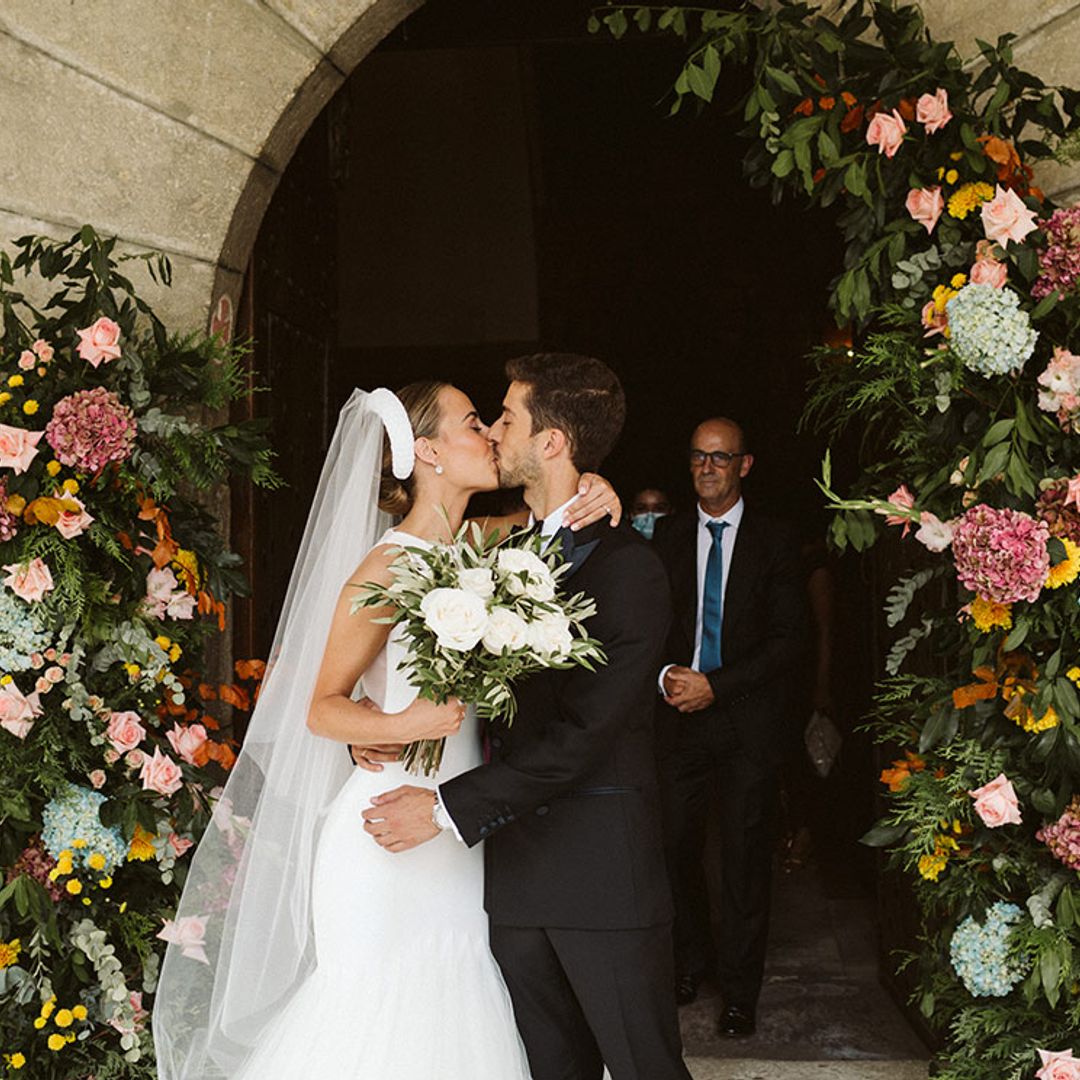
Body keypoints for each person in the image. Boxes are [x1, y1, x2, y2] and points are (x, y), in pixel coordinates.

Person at [152, 381, 621, 1080]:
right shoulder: (386, 565)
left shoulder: (478, 548)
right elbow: (321, 706)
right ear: (426, 450)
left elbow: (546, 523)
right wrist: (404, 722)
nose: (491, 435)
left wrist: (597, 486)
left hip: (457, 842)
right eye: (472, 423)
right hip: (380, 841)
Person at [364, 354, 692, 1080]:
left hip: (602, 882)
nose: (494, 431)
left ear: (551, 442)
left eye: (507, 418)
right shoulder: (496, 555)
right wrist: (372, 714)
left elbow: (584, 735)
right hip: (513, 881)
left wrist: (448, 807)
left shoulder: (628, 569)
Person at [652, 417, 805, 1038]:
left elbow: (789, 639)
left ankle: (740, 992)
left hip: (746, 723)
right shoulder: (661, 537)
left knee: (743, 859)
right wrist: (665, 675)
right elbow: (644, 626)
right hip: (677, 719)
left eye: (720, 458)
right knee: (672, 848)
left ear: (745, 465)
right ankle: (688, 964)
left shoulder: (775, 540)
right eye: (697, 458)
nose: (708, 468)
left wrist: (719, 684)